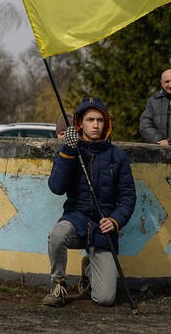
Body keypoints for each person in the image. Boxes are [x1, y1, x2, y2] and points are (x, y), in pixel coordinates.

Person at [43, 96, 136, 308]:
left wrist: (115, 221)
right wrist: (67, 150)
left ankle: (88, 271)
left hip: (103, 228)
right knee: (57, 234)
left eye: (100, 120)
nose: (95, 125)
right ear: (80, 123)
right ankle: (58, 284)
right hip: (76, 219)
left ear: (106, 123)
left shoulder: (117, 156)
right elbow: (56, 188)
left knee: (105, 299)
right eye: (90, 120)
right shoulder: (70, 151)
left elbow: (128, 197)